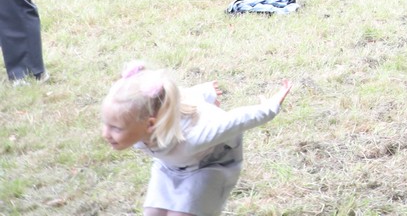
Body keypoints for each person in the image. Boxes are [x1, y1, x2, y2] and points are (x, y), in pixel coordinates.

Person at [101, 60, 291, 216]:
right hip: (171, 164)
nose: (105, 134)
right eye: (105, 123)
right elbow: (168, 96)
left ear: (150, 124)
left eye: (115, 128)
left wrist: (270, 107)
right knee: (153, 212)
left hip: (209, 164)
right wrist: (206, 91)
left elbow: (236, 121)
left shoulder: (194, 138)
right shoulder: (143, 121)